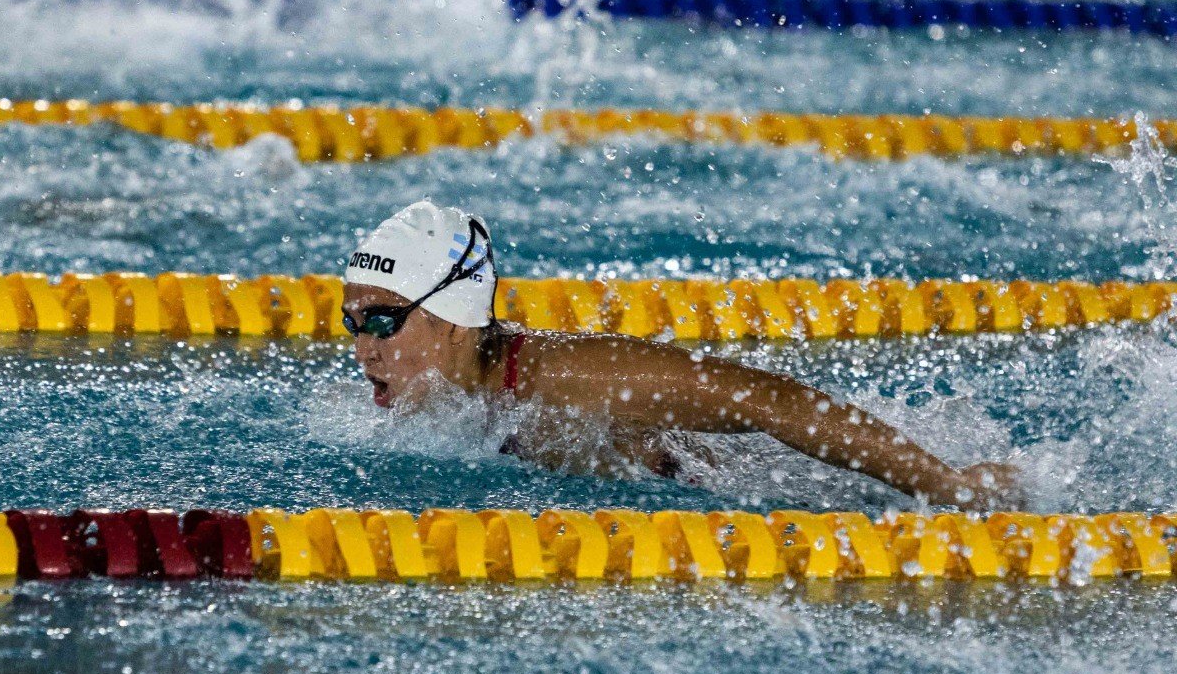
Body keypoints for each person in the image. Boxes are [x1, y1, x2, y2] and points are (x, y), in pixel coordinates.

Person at [341, 200, 1020, 509]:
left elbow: (765, 398)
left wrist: (944, 485)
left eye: (382, 320)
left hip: (781, 491)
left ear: (454, 317)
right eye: (351, 323)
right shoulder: (440, 403)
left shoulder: (569, 375)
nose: (364, 347)